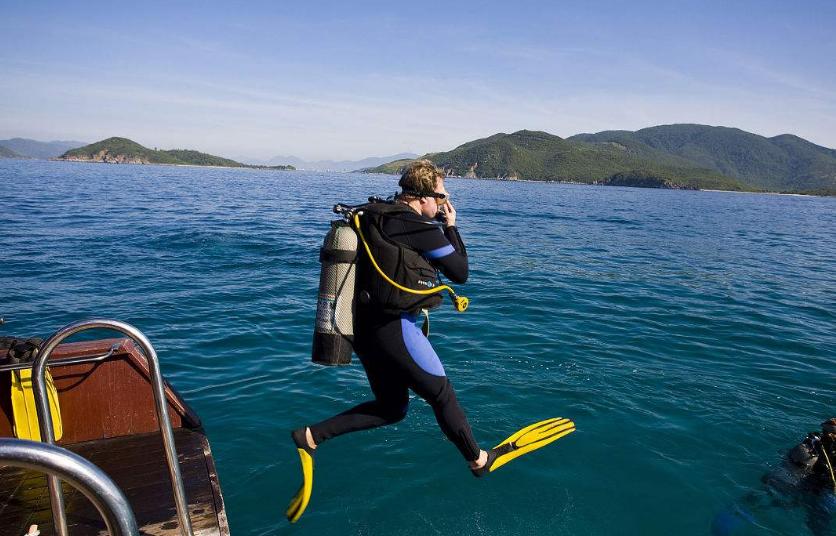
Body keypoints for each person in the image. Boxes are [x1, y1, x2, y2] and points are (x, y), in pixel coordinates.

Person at [286, 160, 574, 522]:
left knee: (392, 407)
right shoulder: (417, 226)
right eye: (441, 196)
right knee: (441, 393)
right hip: (394, 327)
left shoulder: (376, 214)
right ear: (422, 197)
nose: (444, 202)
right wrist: (451, 227)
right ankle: (479, 461)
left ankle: (311, 437)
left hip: (362, 328)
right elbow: (460, 272)